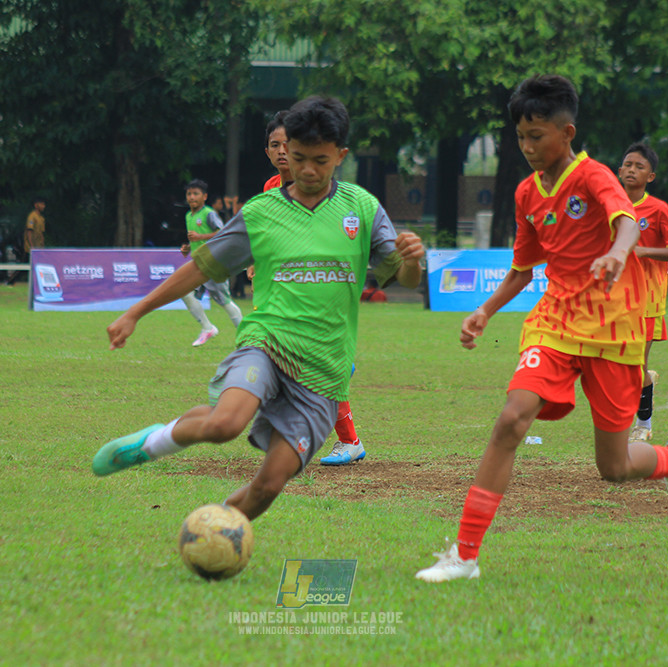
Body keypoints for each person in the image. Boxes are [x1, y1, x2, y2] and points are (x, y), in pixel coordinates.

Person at [415, 75, 668, 583]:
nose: (527, 147)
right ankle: (463, 555)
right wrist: (485, 310)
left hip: (616, 329)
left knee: (613, 468)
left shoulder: (593, 176)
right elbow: (523, 268)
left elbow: (627, 223)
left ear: (566, 132)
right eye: (521, 136)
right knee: (511, 419)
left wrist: (616, 253)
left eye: (537, 136)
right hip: (555, 320)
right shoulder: (527, 193)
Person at [92, 96, 424, 524]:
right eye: (298, 157)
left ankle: (215, 532)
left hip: (325, 370)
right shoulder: (262, 212)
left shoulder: (361, 208)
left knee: (269, 485)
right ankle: (150, 444)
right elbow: (199, 268)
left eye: (319, 160)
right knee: (225, 424)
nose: (305, 169)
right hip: (266, 344)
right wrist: (135, 312)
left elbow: (405, 280)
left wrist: (412, 260)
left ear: (340, 156)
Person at [262, 108, 368, 466]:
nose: (281, 152)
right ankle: (345, 440)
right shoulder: (270, 189)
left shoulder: (326, 191)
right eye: (274, 145)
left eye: (285, 144)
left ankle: (304, 438)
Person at [618, 142, 668, 443]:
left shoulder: (658, 210)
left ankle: (643, 424)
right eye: (628, 164)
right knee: (613, 368)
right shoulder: (608, 205)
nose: (632, 170)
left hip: (647, 300)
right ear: (619, 170)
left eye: (639, 166)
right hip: (611, 300)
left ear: (651, 177)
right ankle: (645, 381)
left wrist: (643, 251)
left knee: (633, 368)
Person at [180, 179, 243, 347]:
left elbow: (222, 233)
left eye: (196, 194)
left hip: (214, 263)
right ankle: (207, 328)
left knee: (225, 301)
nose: (192, 197)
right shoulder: (188, 215)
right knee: (185, 293)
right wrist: (188, 248)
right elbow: (195, 239)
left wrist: (200, 238)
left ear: (204, 197)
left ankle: (246, 335)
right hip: (198, 263)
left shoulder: (209, 214)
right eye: (189, 194)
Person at [6, 197, 45, 286]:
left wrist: (42, 245)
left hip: (38, 247)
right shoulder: (32, 216)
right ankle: (10, 281)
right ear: (36, 205)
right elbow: (29, 231)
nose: (43, 206)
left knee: (37, 265)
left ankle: (37, 283)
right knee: (24, 266)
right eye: (41, 204)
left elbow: (41, 233)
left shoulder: (41, 218)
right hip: (30, 248)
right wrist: (31, 245)